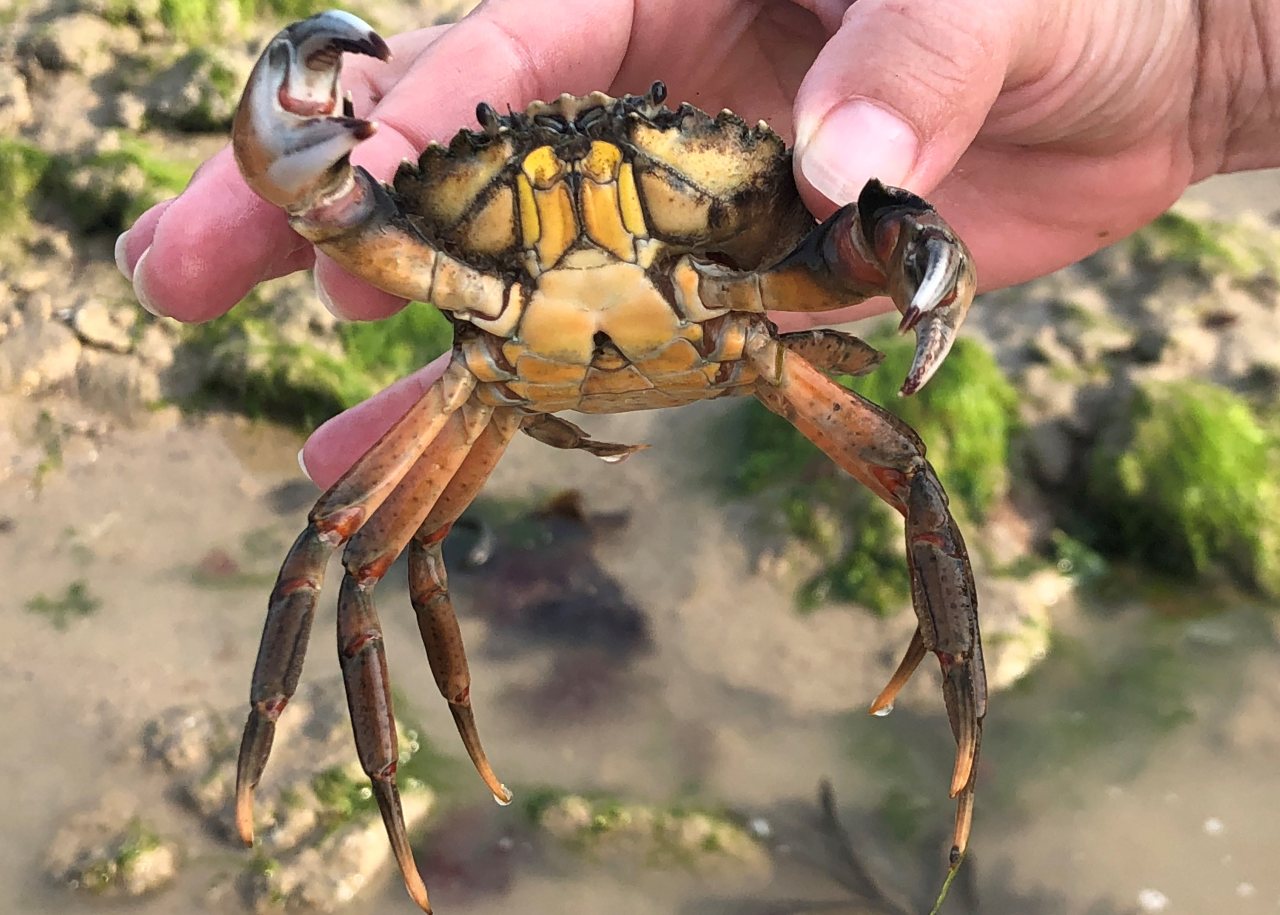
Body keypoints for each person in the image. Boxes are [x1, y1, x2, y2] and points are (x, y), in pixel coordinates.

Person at [113, 0, 1280, 487]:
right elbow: (326, 207)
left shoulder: (790, 238)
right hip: (511, 375)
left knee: (914, 492)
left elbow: (885, 236)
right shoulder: (417, 247)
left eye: (648, 147)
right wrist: (1211, 53)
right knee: (358, 551)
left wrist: (1213, 42)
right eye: (508, 162)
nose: (589, 179)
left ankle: (958, 729)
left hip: (735, 320)